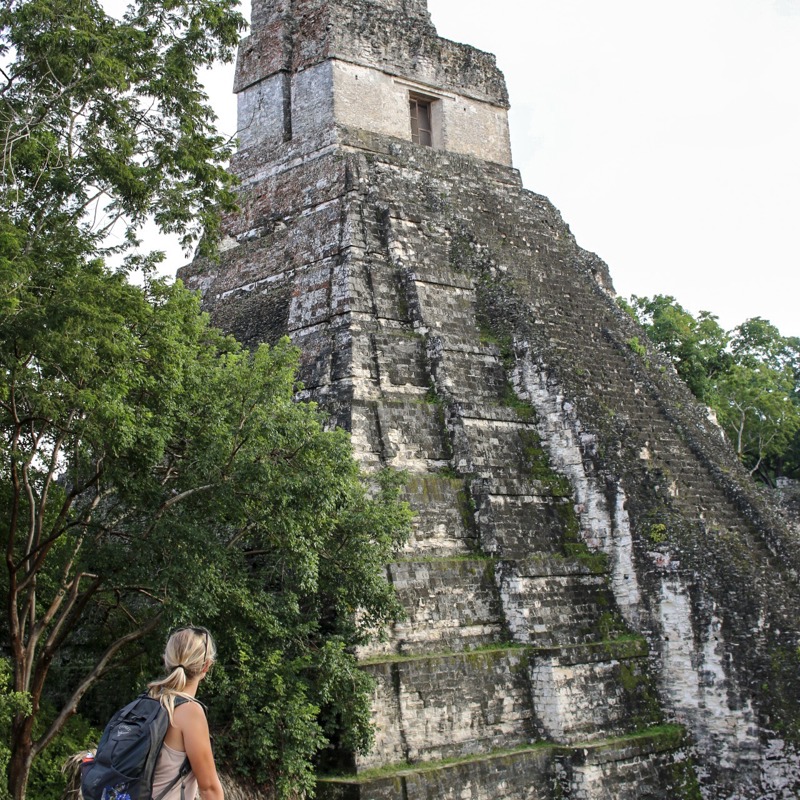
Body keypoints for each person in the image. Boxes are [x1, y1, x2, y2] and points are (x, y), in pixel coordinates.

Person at [146, 626, 225, 800]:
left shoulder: (146, 703)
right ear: (206, 666)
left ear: (167, 660)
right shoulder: (190, 712)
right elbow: (209, 789)